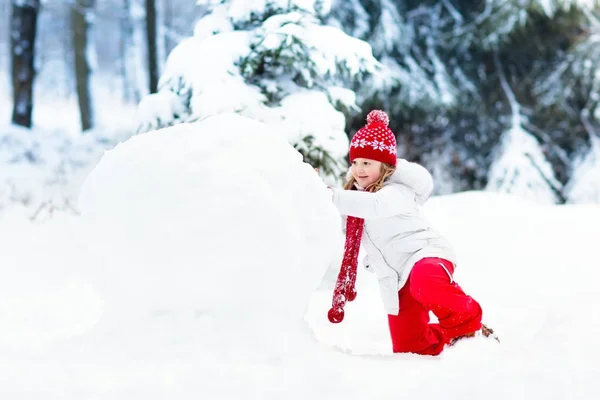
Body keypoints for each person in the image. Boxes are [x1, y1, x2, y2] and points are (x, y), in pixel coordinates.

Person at [326, 110, 496, 356]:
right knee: (410, 347)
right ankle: (451, 336)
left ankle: (471, 325)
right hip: (395, 277)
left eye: (367, 163)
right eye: (355, 162)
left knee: (425, 284)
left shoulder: (396, 191)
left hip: (424, 255)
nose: (359, 170)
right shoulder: (355, 203)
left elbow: (376, 206)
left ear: (384, 165)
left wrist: (330, 195)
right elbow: (334, 219)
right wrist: (312, 191)